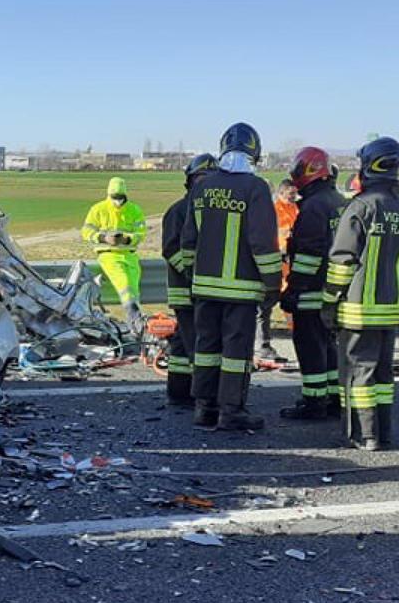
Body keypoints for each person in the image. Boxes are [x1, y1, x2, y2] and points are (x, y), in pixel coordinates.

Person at [179, 122, 280, 432]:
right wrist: (273, 282)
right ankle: (231, 411)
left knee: (206, 349)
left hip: (204, 289)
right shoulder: (256, 188)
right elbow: (262, 242)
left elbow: (188, 241)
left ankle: (203, 408)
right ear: (255, 152)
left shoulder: (202, 187)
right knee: (235, 353)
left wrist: (192, 273)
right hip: (241, 290)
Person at [324, 137, 399, 451]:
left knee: (357, 374)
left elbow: (342, 261)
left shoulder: (361, 208)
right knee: (383, 376)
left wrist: (328, 301)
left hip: (357, 310)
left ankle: (362, 435)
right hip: (389, 310)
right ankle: (384, 431)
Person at [279, 147, 348, 420]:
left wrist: (293, 291)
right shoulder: (339, 202)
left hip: (311, 292)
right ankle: (332, 397)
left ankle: (313, 401)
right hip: (335, 290)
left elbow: (307, 256)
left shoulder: (313, 208)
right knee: (328, 346)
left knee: (310, 346)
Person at [161, 153, 217, 405]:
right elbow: (171, 249)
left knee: (184, 343)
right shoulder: (179, 211)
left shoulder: (211, 211)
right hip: (187, 291)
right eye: (201, 178)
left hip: (204, 290)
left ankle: (179, 391)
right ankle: (200, 395)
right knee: (196, 344)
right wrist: (193, 275)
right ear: (190, 180)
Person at [81, 176, 148, 334]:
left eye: (119, 197)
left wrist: (126, 239)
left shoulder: (134, 210)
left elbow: (141, 233)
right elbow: (86, 231)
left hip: (130, 256)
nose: (117, 200)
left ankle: (135, 328)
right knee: (124, 286)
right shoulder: (98, 209)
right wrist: (104, 238)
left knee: (133, 292)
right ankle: (136, 320)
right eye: (114, 197)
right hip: (108, 255)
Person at [255, 180, 299, 363]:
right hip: (276, 267)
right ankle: (261, 346)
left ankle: (299, 340)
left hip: (290, 268)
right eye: (290, 194)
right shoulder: (274, 211)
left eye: (294, 194)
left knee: (294, 309)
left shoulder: (296, 209)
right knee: (264, 309)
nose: (293, 197)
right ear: (281, 193)